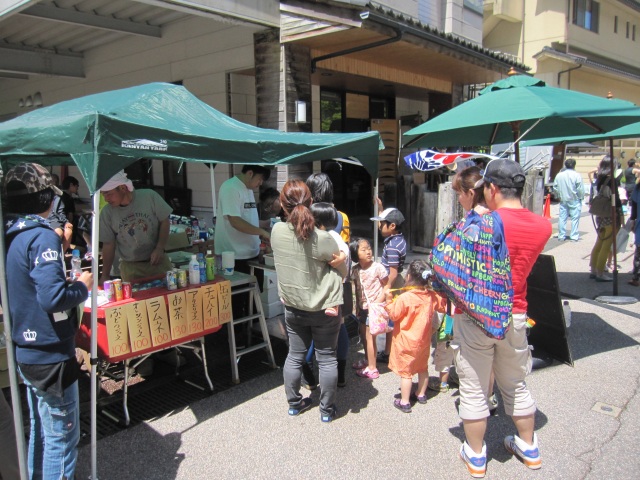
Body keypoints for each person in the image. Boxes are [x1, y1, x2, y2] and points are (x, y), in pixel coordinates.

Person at [455, 159, 551, 477]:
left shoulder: (479, 223)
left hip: (475, 315)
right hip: (515, 313)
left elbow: (455, 261)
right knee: (516, 384)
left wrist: (472, 212)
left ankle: (476, 455)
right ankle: (529, 447)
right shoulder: (543, 226)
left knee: (474, 389)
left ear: (492, 188)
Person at [3, 162, 93, 480]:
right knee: (62, 439)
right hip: (50, 353)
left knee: (41, 431)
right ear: (45, 199)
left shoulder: (10, 234)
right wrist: (82, 285)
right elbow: (52, 298)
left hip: (25, 350)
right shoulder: (41, 238)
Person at [270, 180, 346, 423]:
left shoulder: (276, 231)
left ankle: (294, 404)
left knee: (294, 355)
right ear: (311, 202)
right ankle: (326, 411)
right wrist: (342, 258)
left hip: (293, 305)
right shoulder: (323, 238)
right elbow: (342, 272)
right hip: (324, 307)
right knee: (326, 357)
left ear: (282, 205)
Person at [302, 173, 352, 390]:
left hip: (315, 281)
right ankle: (340, 375)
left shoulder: (308, 216)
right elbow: (344, 248)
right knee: (339, 327)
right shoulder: (341, 216)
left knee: (311, 330)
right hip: (339, 280)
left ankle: (309, 376)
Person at [384, 260, 446, 413]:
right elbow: (443, 305)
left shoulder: (405, 298)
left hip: (406, 342)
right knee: (422, 368)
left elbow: (393, 314)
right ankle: (421, 394)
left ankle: (404, 402)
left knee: (406, 373)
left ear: (409, 276)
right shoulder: (430, 295)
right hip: (423, 340)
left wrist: (388, 300)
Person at [99, 170, 173, 284]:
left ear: (123, 188)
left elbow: (164, 221)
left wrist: (160, 247)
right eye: (103, 195)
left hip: (159, 262)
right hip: (131, 267)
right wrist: (105, 275)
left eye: (109, 194)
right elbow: (108, 244)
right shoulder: (107, 213)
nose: (106, 199)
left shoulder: (149, 196)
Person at [370, 206, 407, 363]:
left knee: (387, 317)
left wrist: (386, 289)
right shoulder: (398, 240)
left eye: (382, 223)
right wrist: (381, 207)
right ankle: (388, 351)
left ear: (392, 226)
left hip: (391, 282)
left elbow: (392, 272)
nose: (379, 226)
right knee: (393, 318)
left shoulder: (392, 246)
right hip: (396, 281)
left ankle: (388, 351)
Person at [350, 237, 388, 379]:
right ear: (355, 253)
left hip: (374, 308)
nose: (368, 251)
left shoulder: (378, 267)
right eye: (363, 249)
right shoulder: (355, 270)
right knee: (365, 337)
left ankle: (372, 368)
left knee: (370, 338)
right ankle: (368, 360)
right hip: (363, 309)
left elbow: (387, 286)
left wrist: (378, 302)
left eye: (369, 248)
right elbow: (356, 289)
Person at [589, 157, 622, 282]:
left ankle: (593, 268)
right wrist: (619, 213)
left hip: (600, 215)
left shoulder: (600, 178)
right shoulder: (611, 181)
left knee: (599, 241)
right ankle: (600, 271)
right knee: (606, 244)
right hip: (610, 214)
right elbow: (615, 200)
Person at [553, 158, 585, 242]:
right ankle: (574, 236)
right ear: (574, 165)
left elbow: (555, 187)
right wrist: (581, 197)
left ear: (565, 165)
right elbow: (580, 188)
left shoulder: (559, 175)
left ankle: (561, 235)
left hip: (563, 198)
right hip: (574, 198)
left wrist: (557, 195)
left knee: (562, 217)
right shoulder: (577, 175)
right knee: (575, 218)